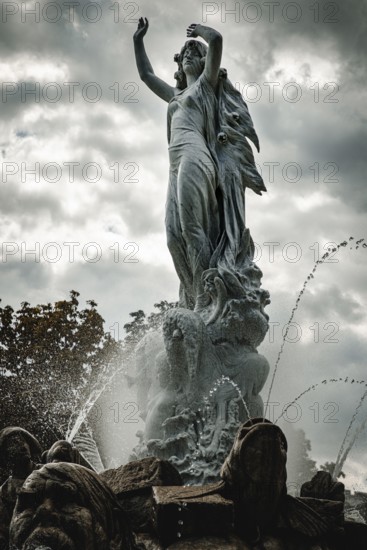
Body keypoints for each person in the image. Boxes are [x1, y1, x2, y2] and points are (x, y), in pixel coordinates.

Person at [134, 18, 266, 310]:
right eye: (184, 54)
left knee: (193, 227)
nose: (188, 54)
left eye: (194, 51)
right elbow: (145, 74)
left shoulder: (207, 85)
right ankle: (193, 293)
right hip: (174, 162)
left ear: (204, 61)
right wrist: (138, 40)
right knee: (172, 235)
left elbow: (217, 40)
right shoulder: (175, 95)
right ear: (179, 67)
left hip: (196, 154)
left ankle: (208, 298)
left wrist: (199, 33)